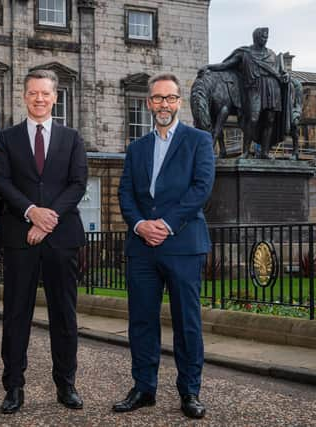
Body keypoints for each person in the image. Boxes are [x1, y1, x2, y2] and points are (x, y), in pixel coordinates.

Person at [115, 73, 215, 419]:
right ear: (149, 103)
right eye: (158, 98)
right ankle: (144, 388)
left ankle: (190, 392)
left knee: (187, 322)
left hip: (183, 244)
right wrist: (141, 225)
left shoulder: (199, 141)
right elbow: (125, 193)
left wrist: (167, 225)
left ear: (179, 103)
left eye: (170, 98)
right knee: (142, 321)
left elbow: (201, 189)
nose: (164, 104)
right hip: (142, 246)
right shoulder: (136, 148)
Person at [0, 69, 88, 414]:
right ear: (24, 96)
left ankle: (66, 385)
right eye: (33, 93)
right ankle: (14, 387)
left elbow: (77, 184)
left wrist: (48, 219)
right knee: (16, 314)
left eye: (45, 93)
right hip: (21, 238)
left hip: (61, 238)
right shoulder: (7, 138)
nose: (39, 98)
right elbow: (1, 181)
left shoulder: (72, 137)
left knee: (65, 314)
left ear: (55, 97)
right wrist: (31, 211)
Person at [205, 27, 289, 158]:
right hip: (254, 88)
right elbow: (226, 65)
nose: (265, 39)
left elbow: (280, 72)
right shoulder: (245, 53)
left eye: (267, 37)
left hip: (272, 88)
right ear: (256, 37)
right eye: (263, 37)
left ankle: (265, 152)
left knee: (269, 120)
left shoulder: (272, 54)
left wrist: (285, 76)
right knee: (253, 118)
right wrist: (209, 67)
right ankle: (245, 152)